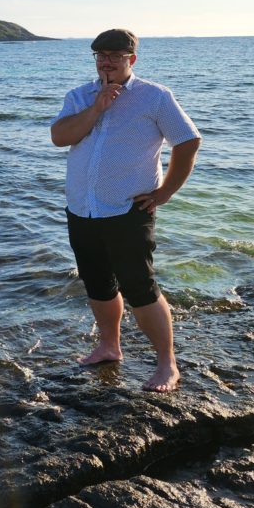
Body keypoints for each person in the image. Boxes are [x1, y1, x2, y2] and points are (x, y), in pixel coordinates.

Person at [50, 28, 201, 393]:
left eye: (116, 55)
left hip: (127, 210)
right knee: (98, 284)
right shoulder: (80, 95)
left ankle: (167, 364)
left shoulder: (155, 97)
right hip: (82, 209)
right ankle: (109, 346)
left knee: (140, 288)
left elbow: (188, 140)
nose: (107, 61)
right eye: (101, 55)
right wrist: (98, 105)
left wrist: (165, 192)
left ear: (131, 59)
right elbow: (60, 136)